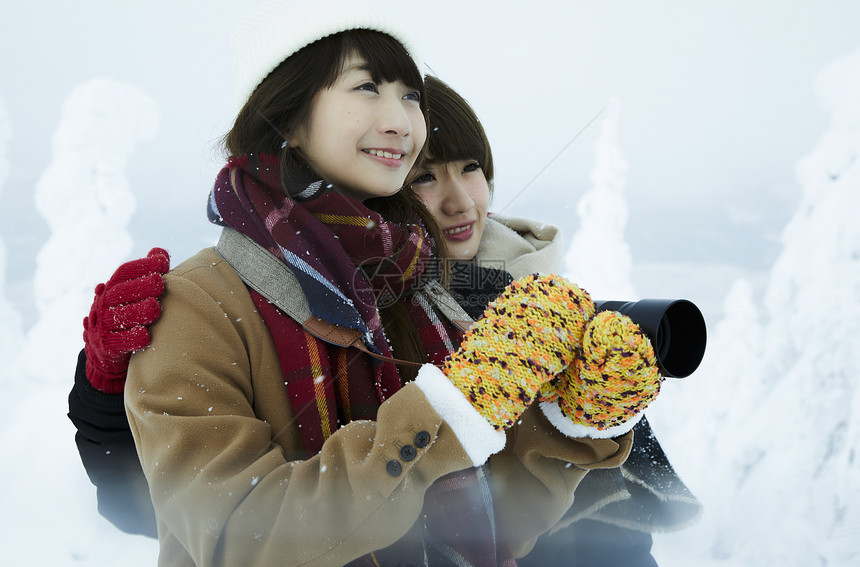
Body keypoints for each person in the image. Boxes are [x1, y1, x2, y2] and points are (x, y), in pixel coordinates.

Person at [68, 3, 677, 563]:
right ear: (285, 115)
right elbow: (237, 537)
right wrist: (447, 411)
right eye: (366, 87)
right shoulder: (199, 305)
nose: (402, 121)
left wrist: (576, 426)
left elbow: (490, 525)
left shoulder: (413, 285)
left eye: (410, 95)